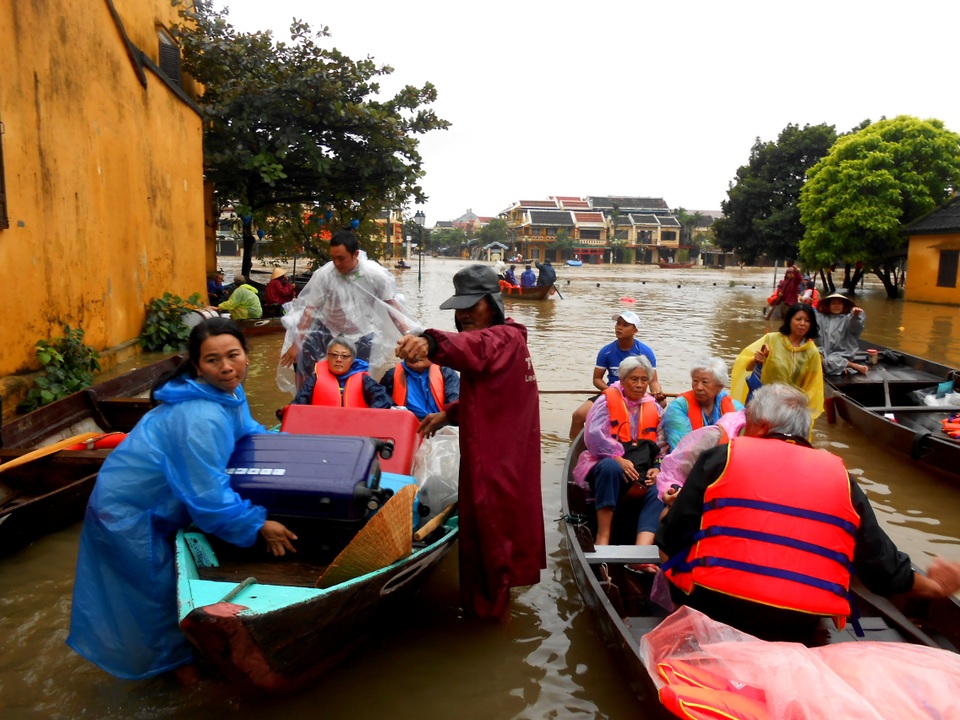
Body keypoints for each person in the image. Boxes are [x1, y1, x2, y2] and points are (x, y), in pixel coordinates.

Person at [67, 318, 297, 680]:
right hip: (130, 513)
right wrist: (258, 523)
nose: (225, 367)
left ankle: (184, 663)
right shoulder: (200, 417)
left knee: (159, 595)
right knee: (156, 601)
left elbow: (248, 434)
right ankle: (181, 682)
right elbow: (208, 497)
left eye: (233, 356)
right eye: (212, 360)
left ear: (247, 357)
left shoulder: (228, 394)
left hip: (155, 502)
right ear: (196, 366)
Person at [656, 383, 960, 643]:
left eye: (746, 423)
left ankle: (679, 624)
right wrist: (933, 587)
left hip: (718, 610)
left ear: (760, 426)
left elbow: (671, 537)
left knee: (671, 538)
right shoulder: (840, 476)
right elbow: (880, 564)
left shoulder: (721, 457)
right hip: (798, 623)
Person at [395, 264, 545, 619]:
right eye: (458, 308)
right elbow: (495, 394)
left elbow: (471, 346)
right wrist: (451, 413)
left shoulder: (502, 338)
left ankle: (487, 622)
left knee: (490, 545)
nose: (462, 315)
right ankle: (489, 613)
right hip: (497, 460)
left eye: (471, 305)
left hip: (495, 467)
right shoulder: (508, 343)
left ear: (493, 303)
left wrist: (429, 341)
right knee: (491, 543)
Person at [278, 229, 417, 393]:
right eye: (333, 258)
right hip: (328, 326)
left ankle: (352, 407)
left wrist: (407, 332)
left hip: (362, 331)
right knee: (302, 360)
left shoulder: (375, 274)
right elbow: (310, 310)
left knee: (358, 376)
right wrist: (296, 343)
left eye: (341, 258)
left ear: (355, 254)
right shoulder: (324, 275)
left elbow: (391, 306)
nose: (336, 263)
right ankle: (303, 404)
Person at [572, 355, 665, 551]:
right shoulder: (605, 402)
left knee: (661, 485)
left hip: (641, 470)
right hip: (608, 464)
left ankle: (642, 549)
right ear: (622, 380)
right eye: (634, 379)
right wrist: (617, 458)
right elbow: (594, 438)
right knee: (610, 468)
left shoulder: (655, 408)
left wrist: (657, 468)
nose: (640, 385)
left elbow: (662, 446)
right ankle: (603, 536)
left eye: (644, 380)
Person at [568, 310, 665, 439]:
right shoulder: (606, 351)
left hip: (636, 393)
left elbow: (653, 381)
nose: (619, 327)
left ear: (635, 331)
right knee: (578, 415)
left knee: (662, 405)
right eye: (618, 324)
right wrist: (612, 392)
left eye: (625, 325)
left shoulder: (645, 352)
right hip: (613, 392)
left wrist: (657, 392)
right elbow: (597, 379)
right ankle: (574, 449)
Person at [730, 302, 824, 420]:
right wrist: (756, 360)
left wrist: (798, 409)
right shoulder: (771, 339)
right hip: (765, 402)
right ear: (789, 320)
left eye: (807, 321)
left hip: (790, 408)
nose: (802, 324)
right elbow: (745, 364)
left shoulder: (812, 352)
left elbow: (812, 386)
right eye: (798, 319)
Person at [659, 357, 744, 451]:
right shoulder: (678, 407)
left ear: (720, 386)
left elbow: (742, 445)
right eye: (695, 381)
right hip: (690, 462)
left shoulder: (737, 409)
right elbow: (681, 450)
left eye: (705, 382)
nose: (699, 387)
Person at [288, 335, 393, 409]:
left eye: (344, 356)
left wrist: (368, 414)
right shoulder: (314, 380)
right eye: (334, 355)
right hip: (323, 427)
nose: (338, 359)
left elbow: (383, 399)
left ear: (352, 360)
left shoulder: (364, 380)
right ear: (327, 357)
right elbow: (299, 403)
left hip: (355, 426)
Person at [379, 357, 460, 421]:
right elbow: (382, 405)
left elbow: (455, 406)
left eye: (421, 351)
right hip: (405, 426)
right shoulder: (392, 375)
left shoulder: (446, 372)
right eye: (411, 351)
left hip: (439, 426)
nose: (416, 356)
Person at [817, 292, 868, 375]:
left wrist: (856, 316)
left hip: (841, 353)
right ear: (828, 305)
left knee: (831, 360)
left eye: (839, 303)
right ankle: (840, 368)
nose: (836, 306)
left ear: (844, 306)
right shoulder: (823, 318)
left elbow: (856, 326)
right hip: (823, 351)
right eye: (833, 303)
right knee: (813, 357)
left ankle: (853, 365)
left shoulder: (847, 319)